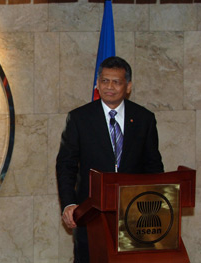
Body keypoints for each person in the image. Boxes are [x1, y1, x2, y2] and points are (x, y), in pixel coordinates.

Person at [56, 56, 164, 263]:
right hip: (90, 213)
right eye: (105, 81)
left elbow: (153, 166)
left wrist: (155, 206)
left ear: (128, 86)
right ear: (97, 84)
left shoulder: (144, 119)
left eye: (116, 82)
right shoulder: (79, 118)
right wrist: (69, 203)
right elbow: (66, 165)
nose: (110, 87)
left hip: (135, 214)